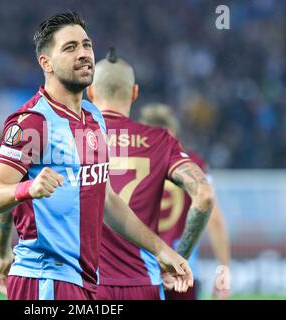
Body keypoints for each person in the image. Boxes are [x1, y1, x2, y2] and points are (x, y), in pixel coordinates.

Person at [0, 12, 193, 300]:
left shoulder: (93, 116)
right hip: (46, 280)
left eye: (87, 45)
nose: (83, 54)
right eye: (70, 48)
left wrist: (160, 250)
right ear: (46, 63)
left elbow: (107, 200)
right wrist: (28, 187)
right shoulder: (34, 123)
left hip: (85, 282)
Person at [85, 49, 214, 300]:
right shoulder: (160, 140)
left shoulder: (73, 137)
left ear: (90, 92)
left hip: (86, 284)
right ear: (134, 92)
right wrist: (178, 259)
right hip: (143, 284)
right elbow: (205, 195)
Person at [139, 103, 231, 300]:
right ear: (173, 132)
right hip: (183, 271)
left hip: (139, 271)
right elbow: (214, 219)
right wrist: (223, 270)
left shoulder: (132, 163)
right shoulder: (193, 164)